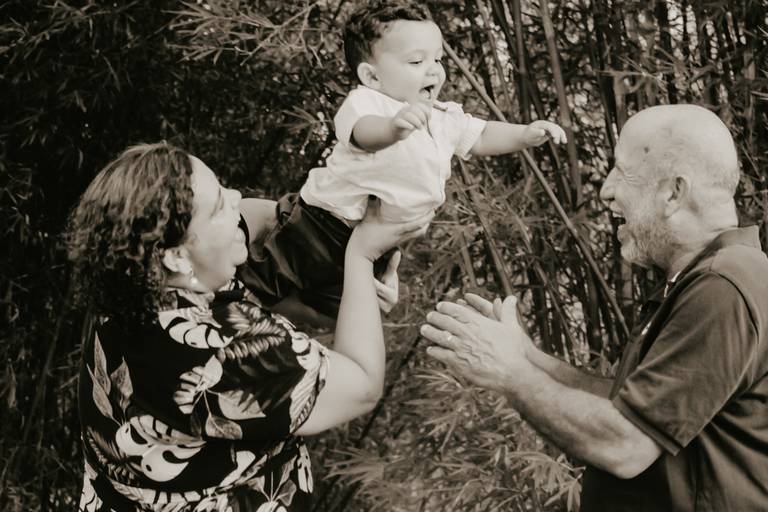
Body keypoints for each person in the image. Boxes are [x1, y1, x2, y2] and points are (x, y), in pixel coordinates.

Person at [421, 104, 768, 510]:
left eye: (622, 173)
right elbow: (631, 406)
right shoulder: (705, 277)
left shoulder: (722, 287)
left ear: (674, 192)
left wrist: (510, 372)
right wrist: (527, 356)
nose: (606, 190)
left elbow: (626, 444)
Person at [67, 142, 432, 511]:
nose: (236, 197)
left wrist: (342, 261)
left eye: (223, 187)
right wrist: (361, 255)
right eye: (217, 207)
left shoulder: (126, 287)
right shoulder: (230, 351)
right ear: (176, 255)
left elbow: (256, 219)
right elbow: (362, 383)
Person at [240, 0, 566, 320]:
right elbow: (363, 133)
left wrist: (524, 135)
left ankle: (278, 325)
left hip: (382, 242)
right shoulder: (368, 103)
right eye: (416, 61)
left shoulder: (442, 116)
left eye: (437, 59)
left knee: (339, 311)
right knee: (271, 275)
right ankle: (234, 298)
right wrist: (393, 128)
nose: (434, 70)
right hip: (324, 224)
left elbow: (481, 135)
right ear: (372, 76)